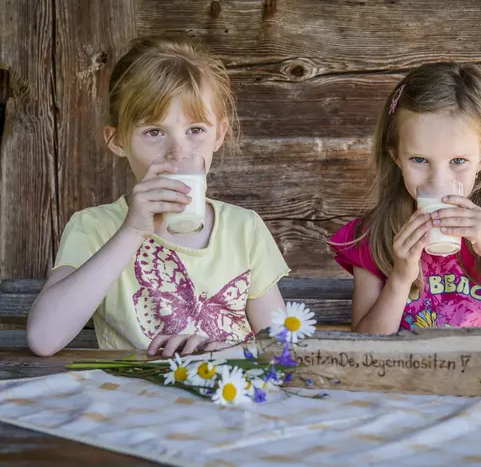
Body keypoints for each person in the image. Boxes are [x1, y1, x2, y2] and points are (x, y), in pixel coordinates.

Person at [28, 37, 289, 357]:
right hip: (135, 400)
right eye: (154, 132)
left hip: (226, 398)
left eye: (195, 130)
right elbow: (43, 338)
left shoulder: (244, 229)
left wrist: (229, 351)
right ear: (118, 140)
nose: (178, 152)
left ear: (219, 135)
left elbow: (283, 349)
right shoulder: (95, 228)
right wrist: (132, 231)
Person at [330, 63, 481, 334]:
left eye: (458, 160)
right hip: (411, 375)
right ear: (396, 156)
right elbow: (365, 348)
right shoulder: (373, 237)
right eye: (419, 159)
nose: (440, 181)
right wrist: (400, 278)